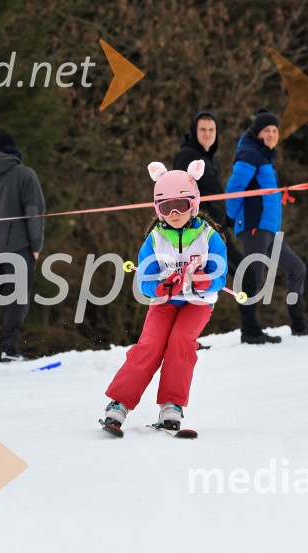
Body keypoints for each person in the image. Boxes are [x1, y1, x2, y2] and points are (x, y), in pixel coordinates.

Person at [101, 160, 227, 432]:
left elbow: (220, 274)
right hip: (165, 302)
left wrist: (205, 280)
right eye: (164, 207)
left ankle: (172, 404)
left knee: (181, 342)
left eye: (180, 206)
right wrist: (159, 288)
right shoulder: (155, 239)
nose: (173, 213)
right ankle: (119, 404)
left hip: (197, 303)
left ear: (193, 204)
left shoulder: (208, 237)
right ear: (157, 209)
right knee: (150, 344)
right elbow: (144, 278)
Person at [225, 109, 308, 344]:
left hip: (269, 228)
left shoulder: (265, 157)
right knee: (254, 278)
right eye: (266, 131)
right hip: (255, 226)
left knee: (297, 268)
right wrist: (228, 218)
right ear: (257, 133)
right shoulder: (250, 154)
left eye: (274, 131)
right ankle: (249, 331)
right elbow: (234, 188)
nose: (271, 134)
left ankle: (298, 324)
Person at [0, 130, 45, 362]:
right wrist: (36, 244)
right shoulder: (25, 175)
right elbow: (33, 211)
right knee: (18, 298)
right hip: (19, 246)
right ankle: (9, 348)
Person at [174, 110, 245, 289]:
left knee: (244, 274)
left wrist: (227, 218)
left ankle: (249, 316)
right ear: (194, 132)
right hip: (202, 231)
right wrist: (205, 213)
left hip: (219, 228)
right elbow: (181, 192)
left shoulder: (212, 160)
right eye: (203, 130)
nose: (207, 134)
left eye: (211, 130)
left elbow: (215, 192)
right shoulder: (187, 156)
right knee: (239, 275)